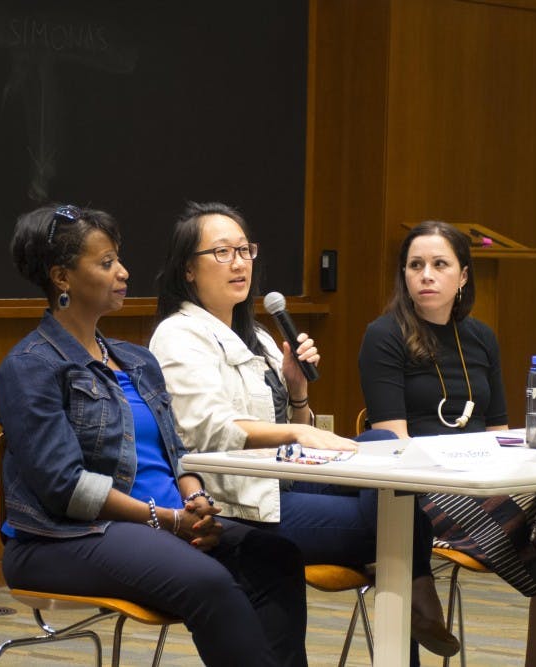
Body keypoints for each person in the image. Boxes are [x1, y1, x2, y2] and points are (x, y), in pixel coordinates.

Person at [0, 204, 308, 667]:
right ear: (62, 278)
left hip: (161, 525)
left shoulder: (136, 360)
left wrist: (195, 498)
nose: (123, 272)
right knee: (209, 582)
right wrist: (166, 518)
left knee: (275, 557)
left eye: (118, 258)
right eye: (105, 264)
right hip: (64, 538)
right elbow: (66, 487)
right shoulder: (31, 366)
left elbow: (175, 449)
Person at [149, 201, 460, 660]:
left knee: (382, 444)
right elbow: (208, 428)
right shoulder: (178, 335)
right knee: (395, 522)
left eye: (244, 249)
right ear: (188, 270)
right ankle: (418, 593)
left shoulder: (254, 335)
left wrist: (297, 394)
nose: (239, 262)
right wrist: (296, 435)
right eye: (221, 252)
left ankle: (412, 590)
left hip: (283, 477)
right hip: (240, 497)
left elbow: (297, 428)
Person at [358, 220, 536, 667]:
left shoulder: (480, 338)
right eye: (415, 265)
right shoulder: (383, 336)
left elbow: (498, 434)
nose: (426, 274)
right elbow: (392, 441)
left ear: (463, 276)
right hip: (422, 492)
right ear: (404, 276)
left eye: (439, 264)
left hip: (488, 476)